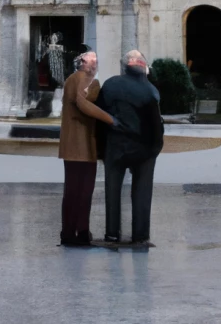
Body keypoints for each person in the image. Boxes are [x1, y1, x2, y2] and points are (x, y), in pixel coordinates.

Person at [96, 50, 164, 245]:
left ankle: (112, 233)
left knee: (112, 190)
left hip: (115, 145)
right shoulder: (151, 90)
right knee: (142, 192)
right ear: (143, 66)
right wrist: (156, 147)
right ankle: (140, 235)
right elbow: (155, 124)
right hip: (144, 147)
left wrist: (101, 147)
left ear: (125, 66)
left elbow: (99, 117)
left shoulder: (110, 84)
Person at [58, 50, 116, 246]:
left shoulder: (74, 79)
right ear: (82, 62)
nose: (95, 64)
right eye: (92, 61)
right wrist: (111, 120)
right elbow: (83, 103)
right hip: (81, 144)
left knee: (76, 190)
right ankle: (77, 232)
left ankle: (73, 230)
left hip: (75, 144)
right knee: (81, 190)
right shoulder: (85, 80)